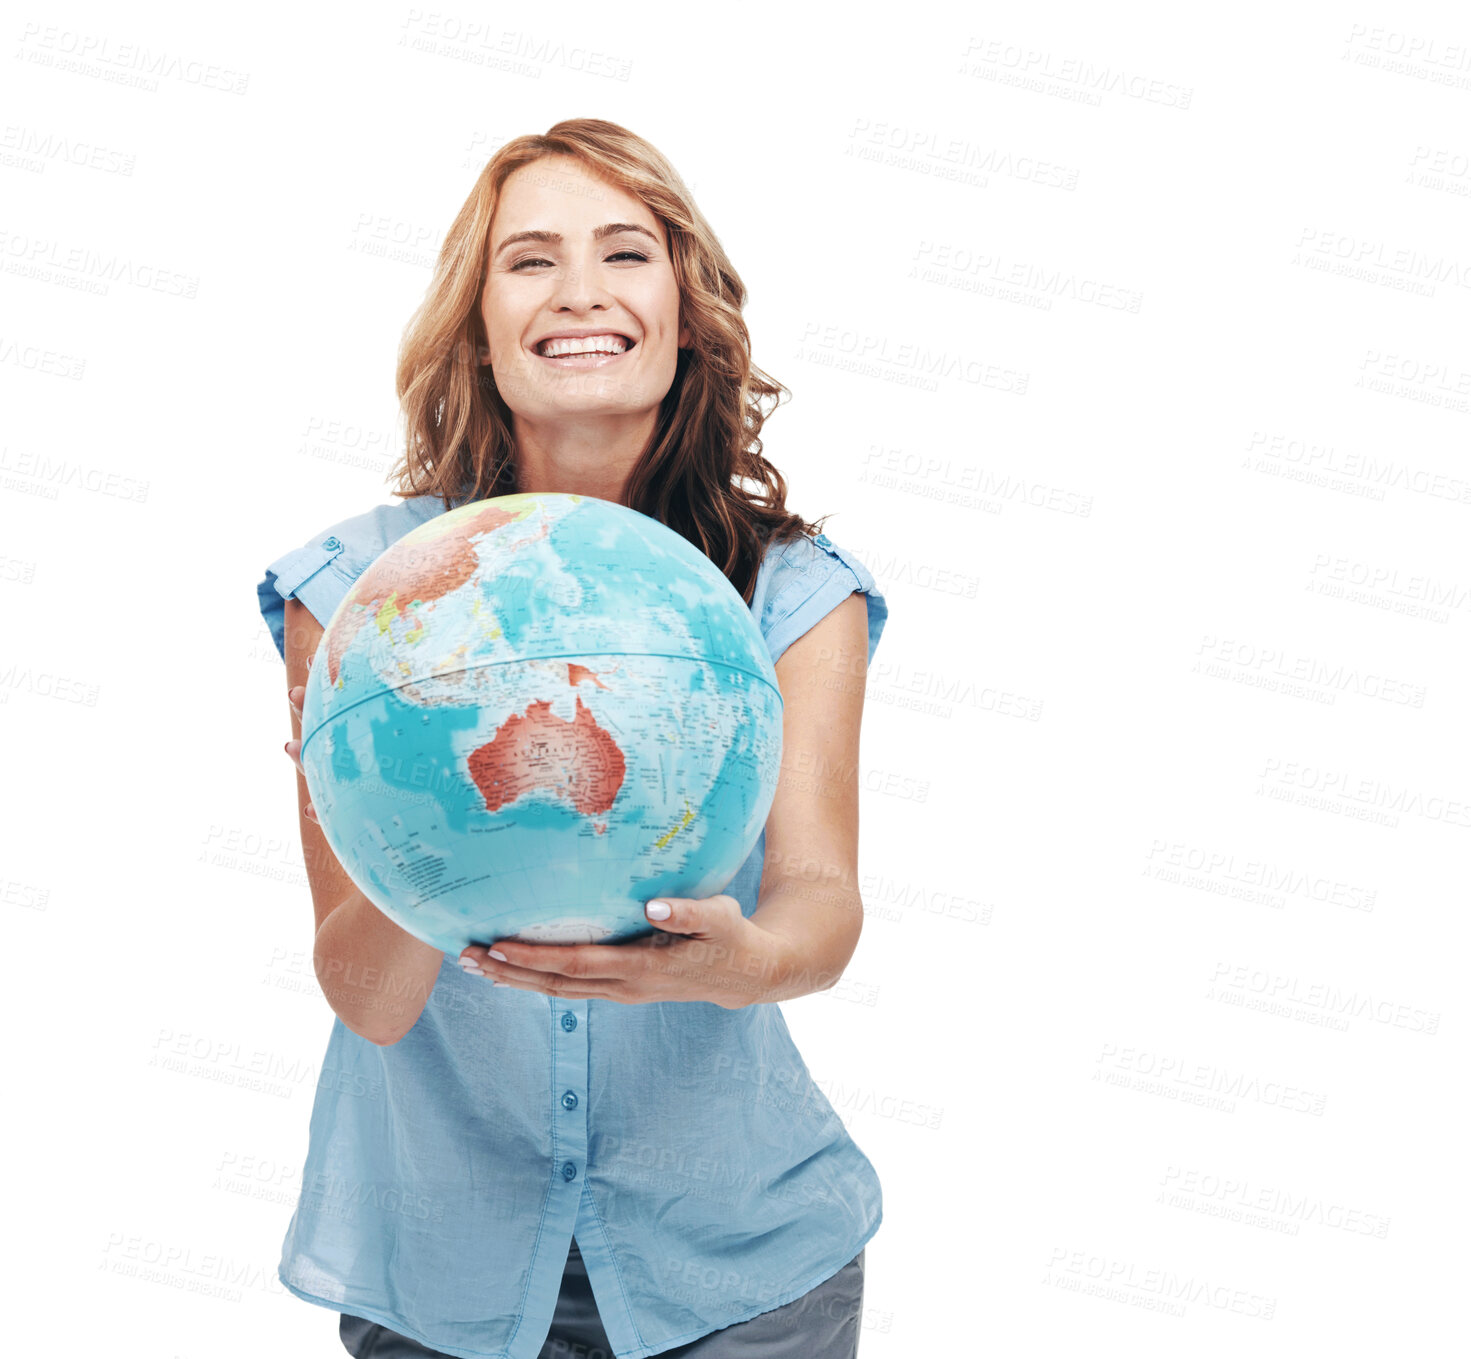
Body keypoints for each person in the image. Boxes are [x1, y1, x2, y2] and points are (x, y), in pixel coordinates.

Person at [258, 119, 889, 1359]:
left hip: (745, 1275)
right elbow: (367, 1001)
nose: (582, 293)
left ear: (686, 310)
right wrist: (400, 809)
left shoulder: (792, 591)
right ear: (478, 327)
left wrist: (735, 964)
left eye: (626, 252)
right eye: (530, 260)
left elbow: (821, 908)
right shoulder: (362, 601)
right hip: (441, 1283)